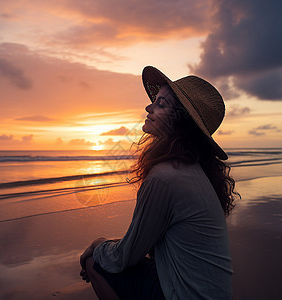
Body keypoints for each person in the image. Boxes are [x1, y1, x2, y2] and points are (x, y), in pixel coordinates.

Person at [80, 66, 239, 299]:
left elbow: (125, 257)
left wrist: (96, 245)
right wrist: (110, 245)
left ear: (181, 123)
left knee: (96, 262)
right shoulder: (193, 171)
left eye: (161, 104)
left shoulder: (165, 177)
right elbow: (141, 245)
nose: (149, 107)